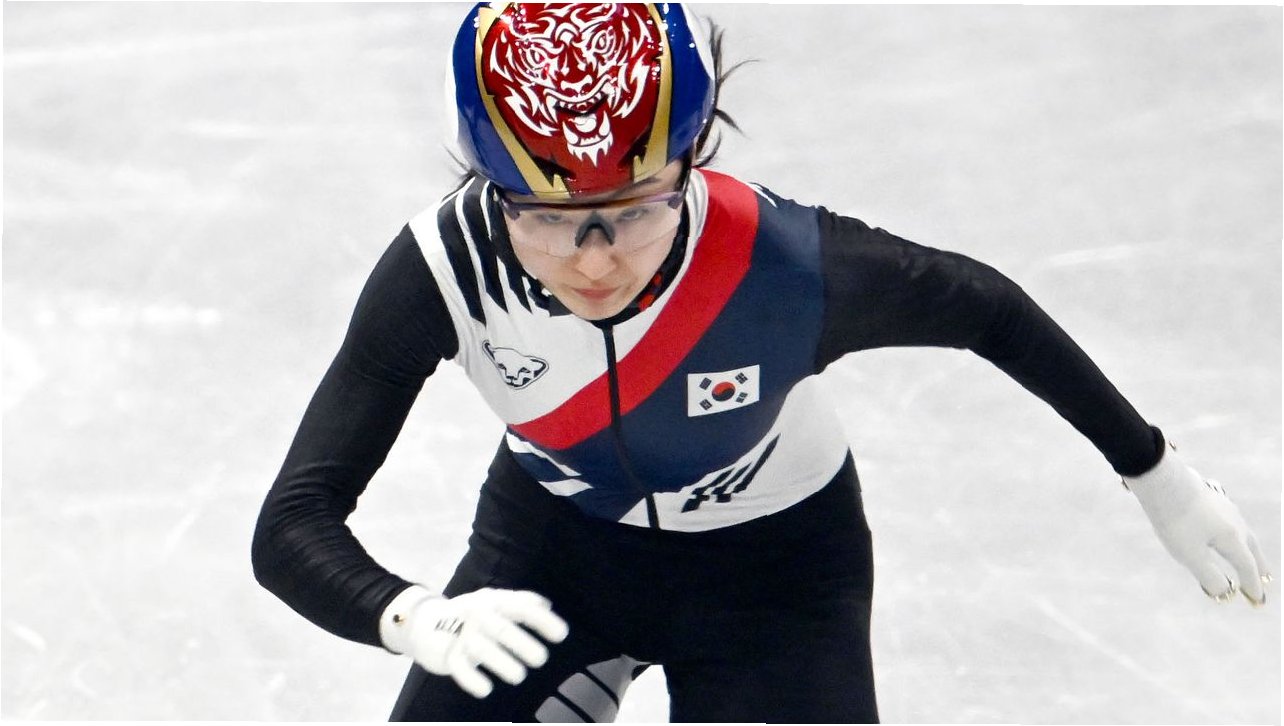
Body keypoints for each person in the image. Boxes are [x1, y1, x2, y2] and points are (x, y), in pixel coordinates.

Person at [252, 3, 1272, 722]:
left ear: (693, 164)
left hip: (774, 583)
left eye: (635, 212)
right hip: (550, 563)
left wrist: (1158, 474)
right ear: (486, 188)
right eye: (547, 220)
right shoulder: (443, 267)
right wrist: (412, 617)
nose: (593, 260)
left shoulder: (784, 266)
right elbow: (292, 521)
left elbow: (988, 309)